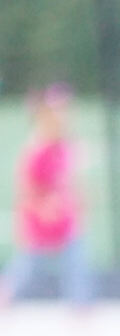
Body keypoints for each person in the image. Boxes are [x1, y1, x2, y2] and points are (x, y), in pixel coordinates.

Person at [0, 85, 93, 309]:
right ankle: (6, 296)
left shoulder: (63, 147)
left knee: (75, 260)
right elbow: (28, 188)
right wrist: (44, 206)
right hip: (40, 219)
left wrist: (77, 202)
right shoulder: (37, 151)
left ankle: (81, 303)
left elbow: (70, 179)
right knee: (29, 266)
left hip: (64, 217)